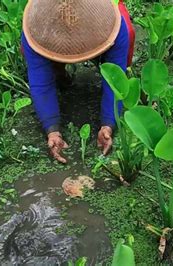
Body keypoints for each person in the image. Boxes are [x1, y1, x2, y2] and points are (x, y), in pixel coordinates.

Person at [21, 0, 135, 164]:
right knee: (39, 54)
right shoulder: (37, 26)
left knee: (128, 35)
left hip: (100, 11)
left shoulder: (116, 28)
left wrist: (108, 124)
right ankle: (58, 70)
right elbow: (41, 84)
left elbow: (115, 83)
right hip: (50, 21)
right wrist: (52, 131)